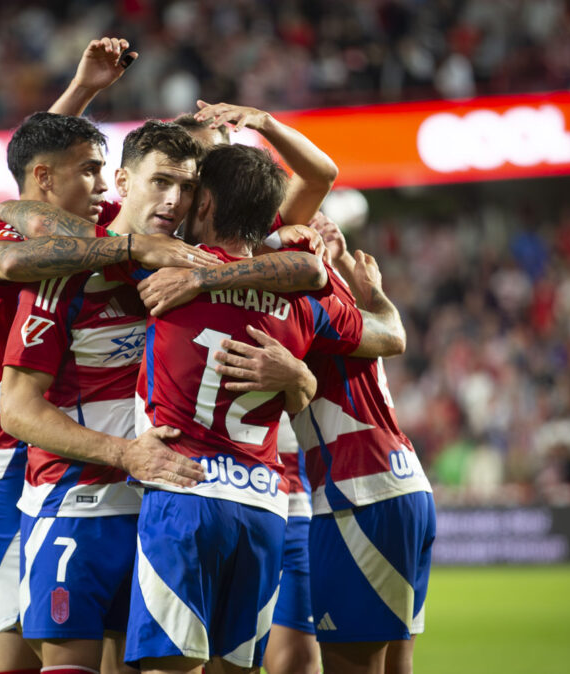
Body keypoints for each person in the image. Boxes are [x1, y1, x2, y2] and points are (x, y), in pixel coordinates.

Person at [109, 143, 405, 673]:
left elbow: (96, 238)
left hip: (185, 494)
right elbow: (385, 335)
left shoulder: (169, 271)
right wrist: (366, 300)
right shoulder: (299, 301)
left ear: (203, 205)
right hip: (264, 508)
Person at [0, 110, 217, 674]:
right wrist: (11, 207)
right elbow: (21, 233)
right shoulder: (37, 252)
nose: (174, 199)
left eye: (186, 186)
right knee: (20, 658)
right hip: (3, 463)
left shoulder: (156, 245)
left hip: (149, 496)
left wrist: (297, 374)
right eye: (90, 172)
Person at [222, 215, 436, 674]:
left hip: (355, 493)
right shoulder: (350, 303)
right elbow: (393, 332)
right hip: (408, 484)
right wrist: (362, 283)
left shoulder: (296, 303)